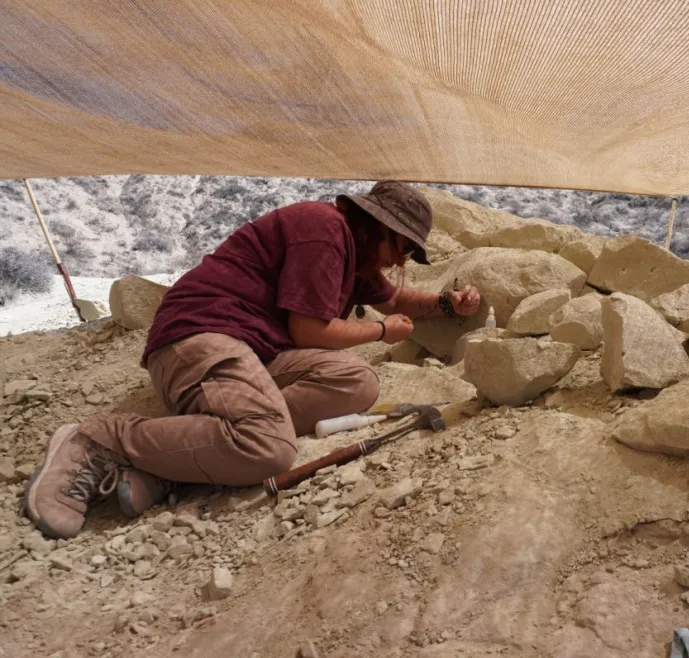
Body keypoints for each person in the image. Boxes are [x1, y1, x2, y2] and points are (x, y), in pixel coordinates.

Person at [22, 180, 481, 539]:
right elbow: (309, 331)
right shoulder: (325, 231)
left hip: (253, 351)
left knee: (357, 384)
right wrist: (383, 331)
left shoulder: (356, 256)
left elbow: (395, 298)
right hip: (202, 335)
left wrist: (447, 304)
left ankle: (163, 463)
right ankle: (99, 440)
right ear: (379, 225)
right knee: (270, 447)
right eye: (402, 247)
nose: (400, 259)